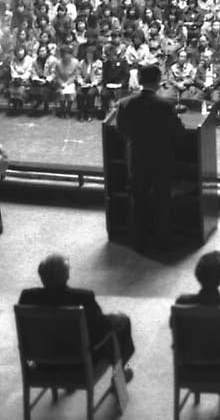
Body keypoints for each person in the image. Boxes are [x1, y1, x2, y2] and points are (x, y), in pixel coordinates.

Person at [19, 253, 135, 382]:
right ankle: (119, 376)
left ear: (42, 276)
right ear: (67, 275)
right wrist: (115, 319)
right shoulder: (83, 298)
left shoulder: (27, 297)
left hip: (43, 364)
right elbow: (99, 329)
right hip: (80, 365)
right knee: (122, 322)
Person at [115, 62, 186, 253]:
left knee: (138, 200)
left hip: (137, 157)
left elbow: (121, 130)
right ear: (158, 81)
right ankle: (162, 241)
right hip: (161, 159)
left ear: (139, 80)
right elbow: (178, 132)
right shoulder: (165, 105)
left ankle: (138, 241)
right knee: (162, 200)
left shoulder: (125, 104)